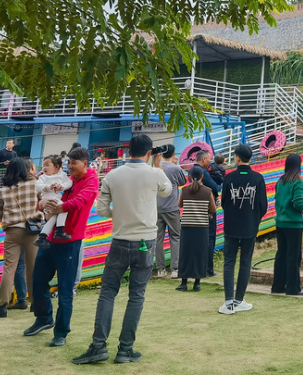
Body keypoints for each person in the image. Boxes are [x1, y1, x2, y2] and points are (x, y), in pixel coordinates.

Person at [72, 134, 172, 364]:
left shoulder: (113, 175)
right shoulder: (155, 173)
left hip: (120, 240)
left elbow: (101, 209)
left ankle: (98, 346)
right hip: (145, 242)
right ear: (149, 153)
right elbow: (168, 192)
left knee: (108, 292)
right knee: (136, 296)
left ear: (128, 151)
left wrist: (122, 215)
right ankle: (125, 349)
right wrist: (157, 166)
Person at [25, 146, 99, 346]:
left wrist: (59, 207)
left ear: (85, 163)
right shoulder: (68, 180)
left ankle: (61, 332)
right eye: (68, 163)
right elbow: (44, 198)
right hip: (49, 239)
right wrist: (43, 205)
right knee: (38, 281)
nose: (70, 166)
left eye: (74, 163)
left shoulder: (91, 180)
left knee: (65, 289)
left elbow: (80, 201)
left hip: (70, 241)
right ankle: (44, 318)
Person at [219, 144, 268, 315]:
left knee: (229, 262)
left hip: (231, 225)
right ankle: (239, 300)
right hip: (250, 226)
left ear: (238, 158)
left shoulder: (229, 178)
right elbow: (263, 206)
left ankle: (228, 301)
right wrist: (253, 219)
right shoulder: (258, 178)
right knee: (245, 262)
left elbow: (224, 202)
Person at [0, 157, 42, 317]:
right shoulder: (34, 185)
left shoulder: (3, 190)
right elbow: (42, 202)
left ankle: (2, 307)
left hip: (12, 231)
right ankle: (35, 303)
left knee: (9, 268)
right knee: (32, 268)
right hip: (32, 230)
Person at [272, 154, 303, 296]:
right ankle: (293, 288)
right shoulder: (298, 182)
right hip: (293, 224)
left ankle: (277, 286)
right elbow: (298, 203)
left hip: (280, 222)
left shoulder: (280, 181)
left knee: (281, 254)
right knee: (294, 256)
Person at [177, 166, 216, 292]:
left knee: (185, 254)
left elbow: (180, 204)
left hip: (187, 227)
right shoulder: (207, 191)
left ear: (189, 177)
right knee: (200, 254)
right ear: (202, 177)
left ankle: (183, 283)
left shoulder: (185, 190)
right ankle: (197, 284)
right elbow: (214, 209)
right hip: (202, 227)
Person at [154, 145, 186, 279]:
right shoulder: (176, 168)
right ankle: (175, 268)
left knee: (158, 239)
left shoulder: (155, 168)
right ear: (173, 154)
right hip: (172, 207)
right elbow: (182, 182)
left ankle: (160, 269)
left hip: (157, 207)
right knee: (175, 237)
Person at [194, 149, 223, 277]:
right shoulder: (203, 172)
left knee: (197, 238)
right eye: (209, 159)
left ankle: (198, 267)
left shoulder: (193, 171)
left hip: (195, 209)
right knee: (210, 238)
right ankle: (208, 268)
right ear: (204, 159)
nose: (210, 161)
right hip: (207, 208)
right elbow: (215, 188)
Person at [34, 155, 72, 249]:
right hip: (49, 201)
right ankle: (60, 230)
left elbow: (69, 183)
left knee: (54, 217)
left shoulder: (62, 175)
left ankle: (42, 236)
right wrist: (48, 187)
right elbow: (37, 187)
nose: (44, 167)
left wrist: (61, 186)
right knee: (65, 208)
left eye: (47, 165)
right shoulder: (43, 177)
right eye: (44, 165)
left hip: (56, 200)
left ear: (57, 167)